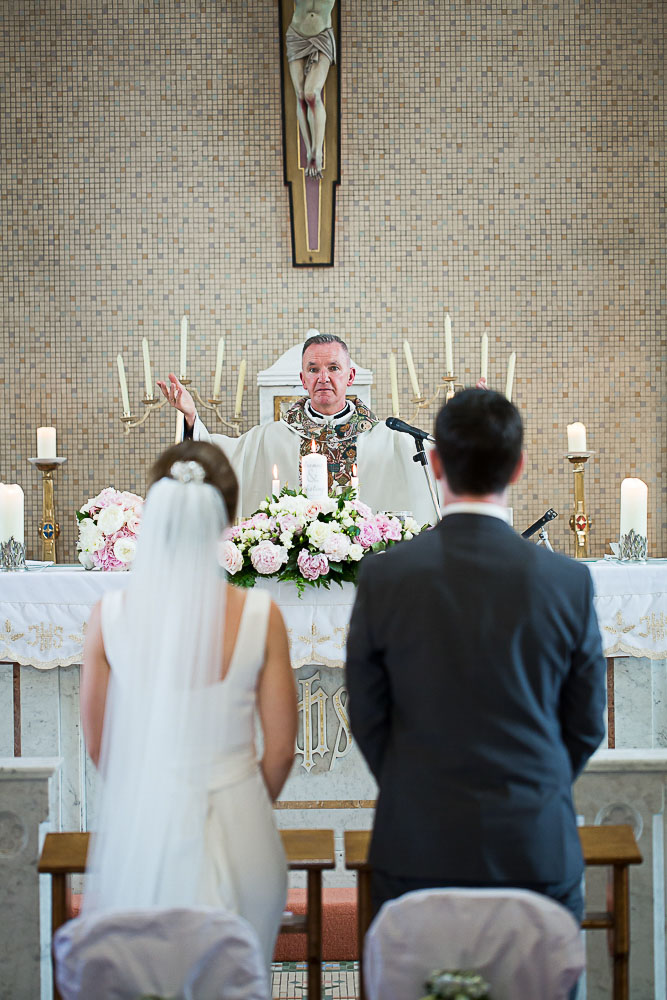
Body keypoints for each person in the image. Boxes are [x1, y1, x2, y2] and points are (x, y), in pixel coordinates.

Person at [346, 388, 606, 926]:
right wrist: (536, 787)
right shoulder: (567, 581)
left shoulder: (385, 575)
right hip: (534, 845)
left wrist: (414, 788)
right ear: (519, 466)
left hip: (417, 843)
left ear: (436, 461)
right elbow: (584, 725)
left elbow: (369, 718)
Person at [79, 440, 298, 970]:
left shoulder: (107, 616)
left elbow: (100, 746)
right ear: (228, 517)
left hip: (145, 830)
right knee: (239, 977)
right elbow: (283, 751)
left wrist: (148, 806)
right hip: (242, 825)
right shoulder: (260, 615)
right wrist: (238, 800)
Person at [157, 332, 436, 523]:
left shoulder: (388, 437)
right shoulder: (272, 437)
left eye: (333, 368)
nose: (323, 378)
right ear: (303, 379)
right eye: (313, 369)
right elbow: (224, 458)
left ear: (350, 376)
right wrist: (192, 418)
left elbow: (443, 463)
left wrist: (477, 428)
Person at [285, 0, 336, 178]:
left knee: (311, 93)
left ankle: (317, 151)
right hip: (296, 36)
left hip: (322, 37)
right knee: (300, 95)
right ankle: (309, 152)